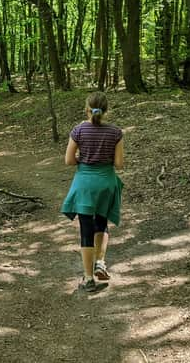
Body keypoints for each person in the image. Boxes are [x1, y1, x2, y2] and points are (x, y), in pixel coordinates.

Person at [61, 92, 124, 293]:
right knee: (102, 223)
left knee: (86, 229)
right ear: (106, 110)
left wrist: (85, 162)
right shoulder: (116, 132)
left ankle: (88, 278)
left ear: (87, 109)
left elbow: (69, 160)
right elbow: (119, 164)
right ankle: (100, 262)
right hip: (106, 182)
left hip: (85, 183)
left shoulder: (78, 130)